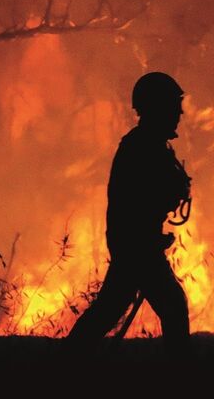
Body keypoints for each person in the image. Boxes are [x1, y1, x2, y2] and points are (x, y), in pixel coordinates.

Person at [67, 72, 192, 353]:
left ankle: (67, 361)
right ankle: (181, 375)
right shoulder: (142, 147)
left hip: (137, 243)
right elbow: (137, 200)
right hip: (137, 245)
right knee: (171, 305)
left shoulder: (152, 145)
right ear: (156, 107)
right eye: (174, 105)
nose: (179, 112)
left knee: (111, 308)